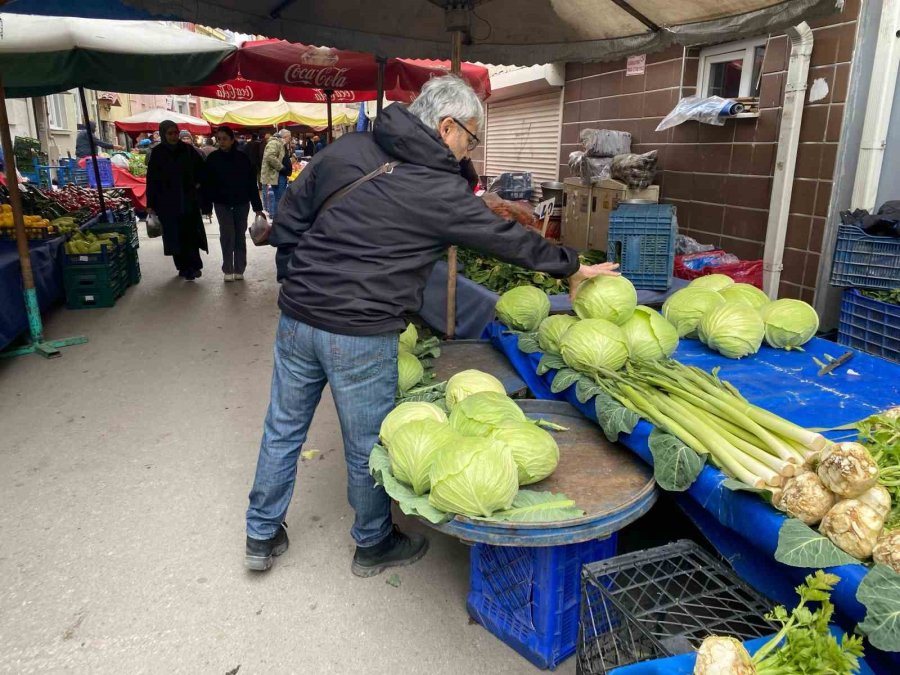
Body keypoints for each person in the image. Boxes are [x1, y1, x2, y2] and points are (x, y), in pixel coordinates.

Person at [245, 75, 619, 575]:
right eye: (471, 138)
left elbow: (291, 215)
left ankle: (261, 534)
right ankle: (373, 542)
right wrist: (569, 266)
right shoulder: (437, 189)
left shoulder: (347, 149)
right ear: (446, 127)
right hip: (360, 331)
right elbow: (502, 237)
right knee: (366, 442)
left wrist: (296, 280)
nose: (470, 150)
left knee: (283, 428)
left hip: (298, 318)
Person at [146, 120, 208, 281]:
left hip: (188, 200)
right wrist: (150, 204)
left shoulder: (188, 150)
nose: (174, 136)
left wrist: (198, 184)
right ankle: (182, 267)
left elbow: (202, 169)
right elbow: (152, 180)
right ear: (163, 134)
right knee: (174, 235)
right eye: (170, 133)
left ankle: (194, 266)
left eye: (176, 133)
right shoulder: (158, 153)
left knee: (190, 234)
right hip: (167, 203)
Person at [202, 126, 265, 282]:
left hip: (241, 203)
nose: (221, 142)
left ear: (232, 140)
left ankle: (239, 269)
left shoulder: (243, 158)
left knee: (239, 235)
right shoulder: (213, 159)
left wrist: (257, 207)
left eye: (224, 139)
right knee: (227, 234)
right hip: (221, 203)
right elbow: (207, 184)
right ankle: (228, 269)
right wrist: (207, 206)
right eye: (219, 139)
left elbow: (251, 184)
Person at [260, 129, 292, 220]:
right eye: (289, 138)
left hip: (279, 174)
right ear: (285, 136)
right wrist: (282, 168)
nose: (290, 140)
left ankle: (277, 218)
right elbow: (270, 157)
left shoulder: (280, 143)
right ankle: (276, 219)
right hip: (277, 174)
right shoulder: (274, 143)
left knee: (279, 198)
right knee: (279, 198)